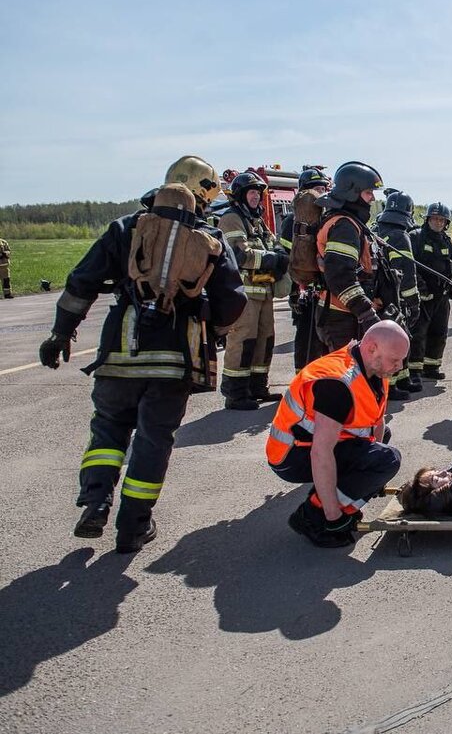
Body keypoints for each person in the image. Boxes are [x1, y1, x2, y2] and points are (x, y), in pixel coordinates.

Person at [39, 155, 247, 553]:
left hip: (119, 351)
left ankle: (96, 501)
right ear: (206, 193)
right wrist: (215, 330)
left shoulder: (126, 228)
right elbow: (232, 301)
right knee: (154, 440)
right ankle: (134, 526)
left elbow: (81, 281)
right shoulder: (209, 238)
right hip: (173, 360)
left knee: (108, 429)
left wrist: (60, 334)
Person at [266, 320, 407, 547]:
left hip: (312, 445)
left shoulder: (374, 367)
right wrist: (333, 514)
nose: (399, 366)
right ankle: (313, 516)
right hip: (292, 456)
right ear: (371, 348)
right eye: (395, 360)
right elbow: (321, 452)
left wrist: (368, 480)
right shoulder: (337, 384)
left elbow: (376, 422)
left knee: (382, 448)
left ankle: (332, 499)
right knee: (388, 460)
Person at [217, 171, 288, 410]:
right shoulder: (231, 218)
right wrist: (272, 260)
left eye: (258, 193)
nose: (257, 197)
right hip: (245, 294)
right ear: (240, 195)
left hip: (263, 292)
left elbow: (275, 246)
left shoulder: (256, 221)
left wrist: (279, 258)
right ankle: (236, 393)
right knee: (243, 340)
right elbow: (239, 254)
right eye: (252, 192)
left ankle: (258, 386)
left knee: (265, 340)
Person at [315, 161, 385, 351]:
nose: (372, 199)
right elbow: (340, 276)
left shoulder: (352, 223)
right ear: (352, 193)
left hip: (346, 314)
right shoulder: (345, 226)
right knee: (348, 377)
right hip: (342, 318)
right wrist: (366, 313)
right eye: (368, 193)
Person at [372, 189, 422, 400]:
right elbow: (407, 274)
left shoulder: (375, 230)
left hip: (378, 295)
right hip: (396, 298)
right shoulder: (400, 237)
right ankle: (389, 386)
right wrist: (413, 302)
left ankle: (402, 379)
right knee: (395, 342)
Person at [285, 166, 333, 370]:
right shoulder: (294, 222)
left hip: (316, 289)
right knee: (308, 338)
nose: (319, 193)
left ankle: (314, 381)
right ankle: (303, 381)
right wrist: (294, 291)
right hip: (305, 289)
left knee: (316, 337)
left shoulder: (293, 222)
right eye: (315, 188)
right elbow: (291, 259)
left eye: (321, 188)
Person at [409, 202, 452, 384]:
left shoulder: (446, 241)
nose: (438, 222)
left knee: (439, 332)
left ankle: (432, 366)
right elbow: (410, 266)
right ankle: (414, 370)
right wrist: (421, 289)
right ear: (427, 219)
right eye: (435, 219)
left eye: (441, 220)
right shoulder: (415, 237)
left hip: (441, 295)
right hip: (422, 296)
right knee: (418, 332)